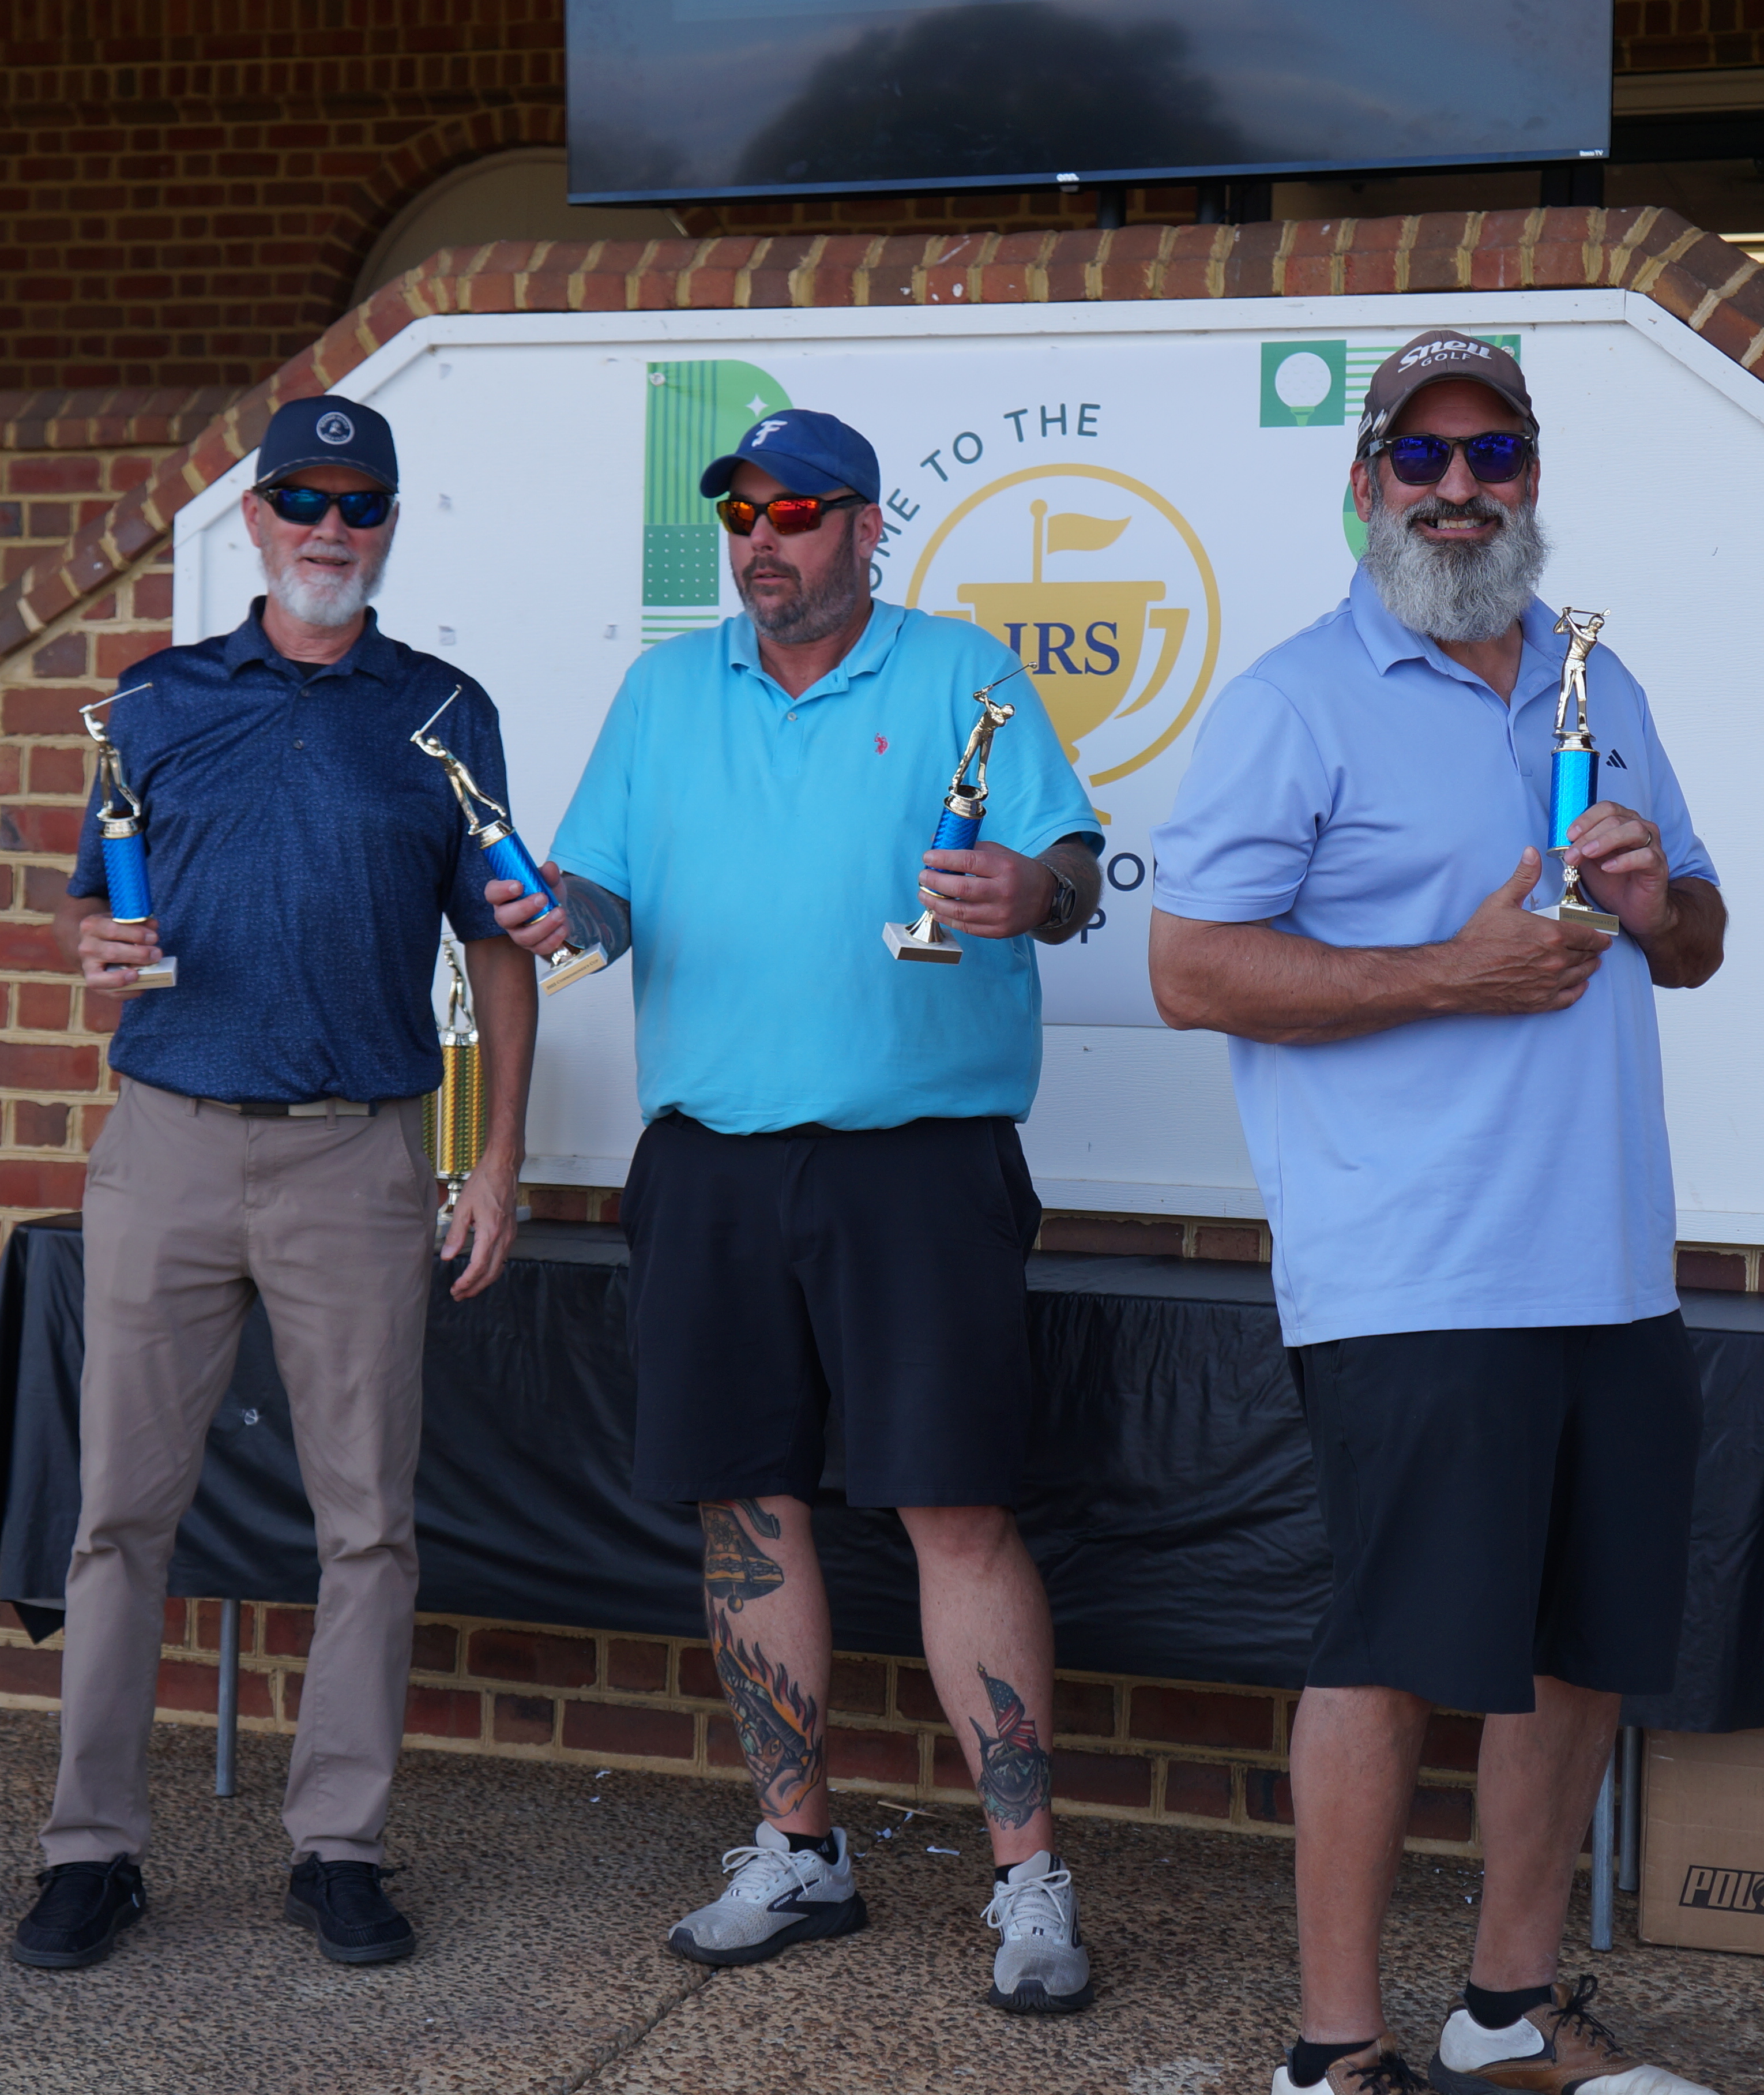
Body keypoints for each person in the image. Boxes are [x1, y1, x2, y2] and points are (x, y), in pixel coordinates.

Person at [1146, 333, 1729, 2095]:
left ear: (1531, 479)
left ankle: (1509, 2008)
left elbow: (1701, 940)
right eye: (1423, 459)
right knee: (1395, 1653)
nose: (1459, 490)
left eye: (1494, 457)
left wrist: (1656, 900)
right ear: (1366, 485)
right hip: (1412, 1267)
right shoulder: (1296, 701)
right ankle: (1332, 2049)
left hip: (1609, 1260)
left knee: (1581, 1655)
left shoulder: (1596, 684)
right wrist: (1449, 973)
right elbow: (1191, 971)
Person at [490, 408, 1108, 2013]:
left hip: (920, 1159)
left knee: (956, 1511)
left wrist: (1033, 893)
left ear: (865, 527)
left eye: (798, 512)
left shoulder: (961, 669)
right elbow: (603, 898)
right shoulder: (663, 690)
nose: (764, 541)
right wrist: (559, 910)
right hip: (712, 1160)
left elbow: (1070, 867)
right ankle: (800, 1849)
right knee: (746, 1511)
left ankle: (1029, 1876)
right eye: (743, 516)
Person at [13, 394, 537, 1973]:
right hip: (168, 1137)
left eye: (359, 503)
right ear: (253, 519)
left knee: (367, 1524)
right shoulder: (155, 700)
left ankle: (340, 1848)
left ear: (390, 525)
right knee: (120, 1514)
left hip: (357, 1149)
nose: (329, 528)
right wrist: (90, 947)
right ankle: (91, 1852)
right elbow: (90, 904)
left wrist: (495, 1157)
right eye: (302, 499)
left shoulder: (442, 711)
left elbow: (499, 945)